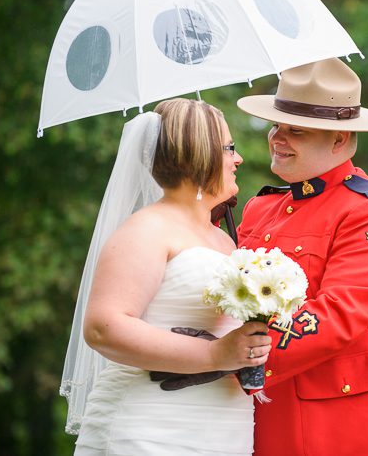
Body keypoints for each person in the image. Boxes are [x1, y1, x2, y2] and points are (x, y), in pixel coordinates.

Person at [60, 98, 272, 455]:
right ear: (199, 153)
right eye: (229, 148)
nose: (239, 159)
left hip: (223, 429)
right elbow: (103, 327)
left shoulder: (222, 238)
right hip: (152, 427)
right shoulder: (147, 228)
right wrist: (215, 355)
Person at [235, 57, 368, 455]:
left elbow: (337, 314)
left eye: (296, 132)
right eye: (277, 126)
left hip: (341, 423)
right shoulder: (257, 207)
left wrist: (227, 359)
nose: (277, 138)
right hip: (253, 412)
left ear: (339, 140)